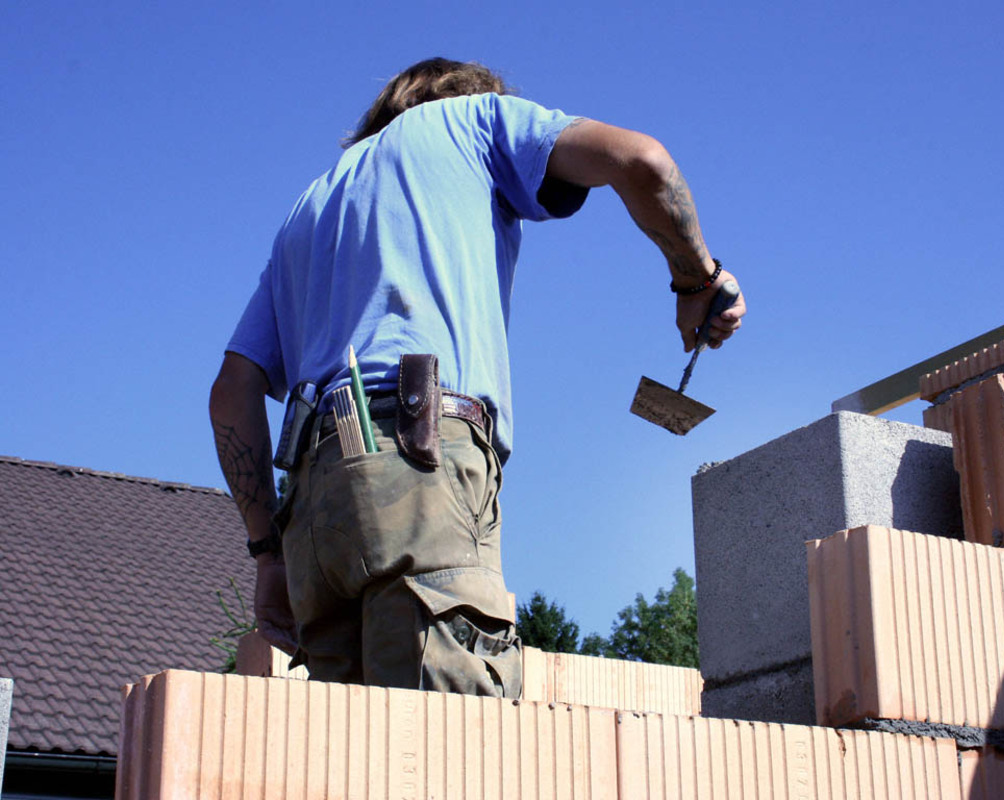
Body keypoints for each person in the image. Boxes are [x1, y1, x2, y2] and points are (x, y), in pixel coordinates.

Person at [208, 58, 746, 696]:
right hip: (416, 458)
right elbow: (645, 162)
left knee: (354, 760)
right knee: (449, 750)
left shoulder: (310, 207)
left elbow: (231, 393)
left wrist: (268, 555)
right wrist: (697, 278)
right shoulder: (471, 119)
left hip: (313, 512)